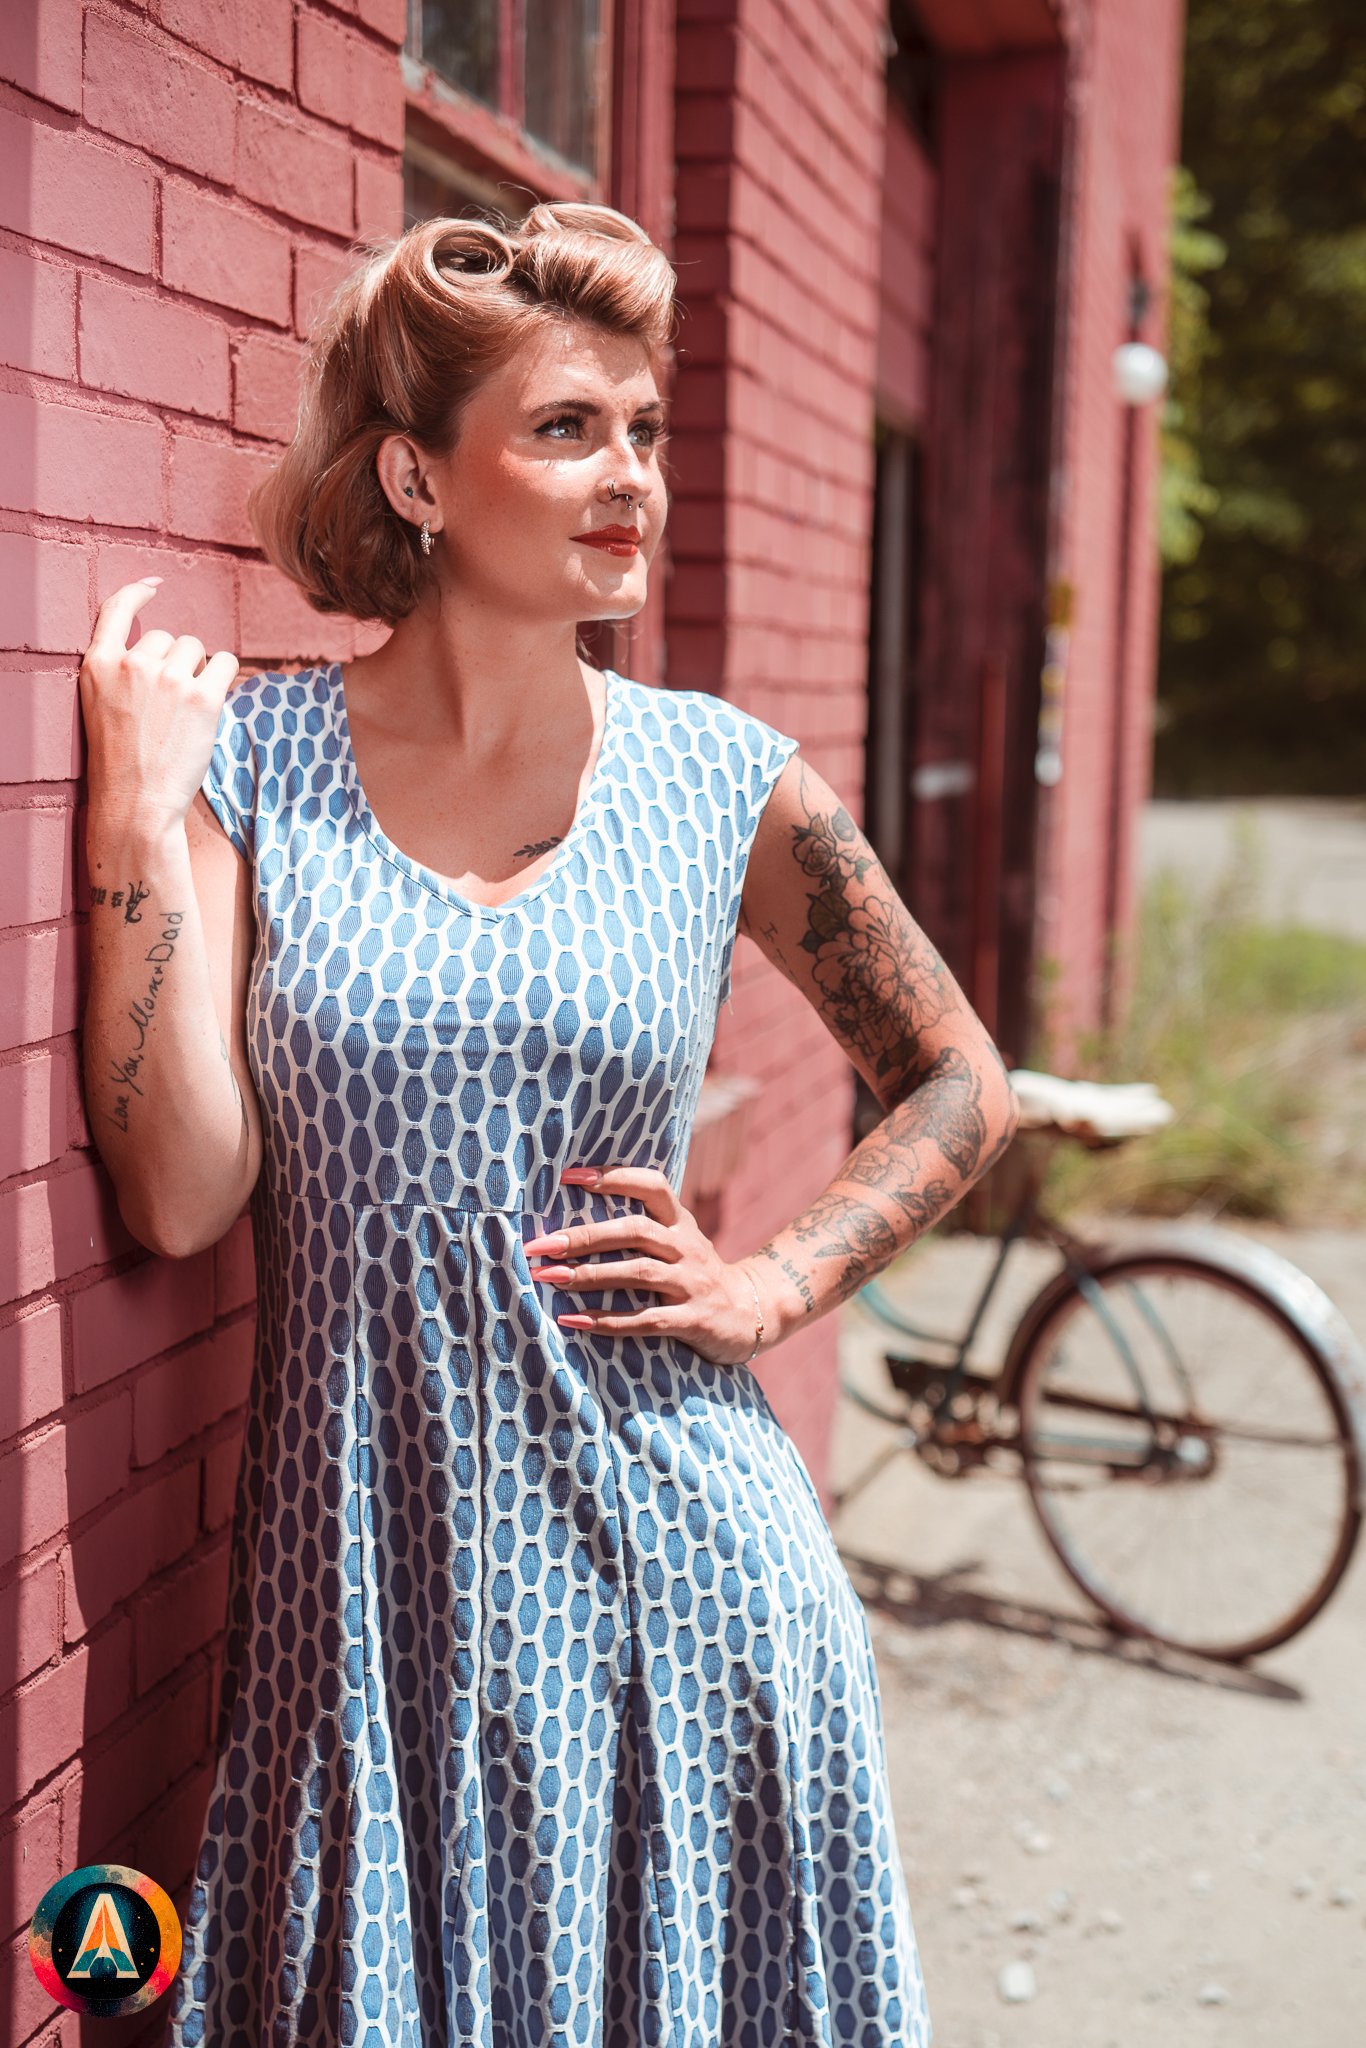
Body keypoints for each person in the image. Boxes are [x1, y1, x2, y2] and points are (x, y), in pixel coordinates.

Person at [79, 200, 1017, 2048]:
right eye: (568, 431)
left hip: (690, 1601)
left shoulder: (718, 779)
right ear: (418, 478)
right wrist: (134, 819)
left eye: (645, 431)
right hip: (381, 1619)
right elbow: (186, 1191)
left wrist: (768, 1288)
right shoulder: (256, 771)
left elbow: (958, 1080)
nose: (631, 482)